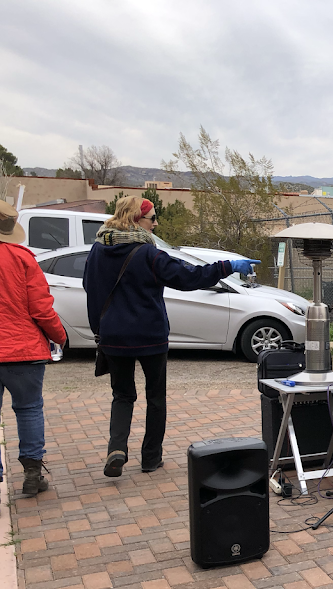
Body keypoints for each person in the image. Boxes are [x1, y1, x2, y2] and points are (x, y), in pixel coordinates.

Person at [83, 196, 259, 477]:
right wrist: (228, 266)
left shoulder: (97, 250)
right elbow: (188, 277)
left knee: (122, 395)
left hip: (113, 337)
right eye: (152, 218)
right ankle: (151, 458)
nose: (155, 223)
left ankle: (117, 448)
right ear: (136, 219)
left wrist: (100, 328)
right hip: (150, 335)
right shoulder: (148, 253)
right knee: (156, 397)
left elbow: (89, 287)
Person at [0, 201, 68, 496]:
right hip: (23, 349)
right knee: (28, 409)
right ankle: (32, 472)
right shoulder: (23, 259)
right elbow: (41, 309)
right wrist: (59, 336)